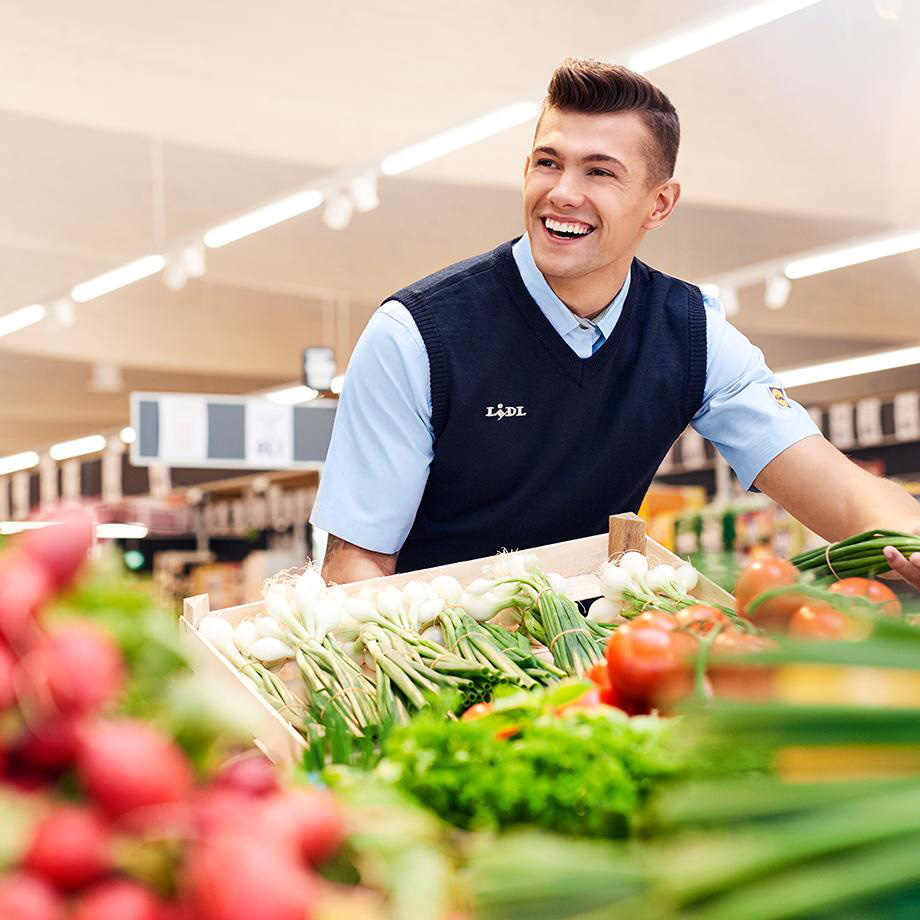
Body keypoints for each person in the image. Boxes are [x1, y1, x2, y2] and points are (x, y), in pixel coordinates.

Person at [311, 58, 920, 590]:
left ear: (660, 203)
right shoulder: (417, 336)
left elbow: (841, 491)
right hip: (431, 653)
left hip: (594, 656)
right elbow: (355, 565)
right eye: (548, 163)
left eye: (599, 172)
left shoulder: (692, 337)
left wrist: (911, 541)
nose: (562, 193)